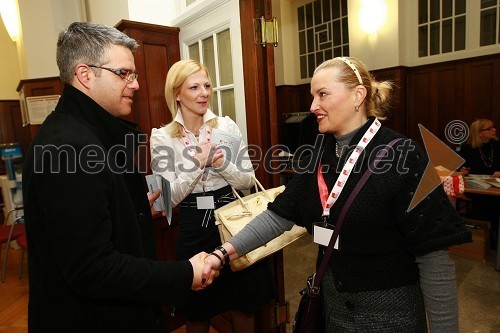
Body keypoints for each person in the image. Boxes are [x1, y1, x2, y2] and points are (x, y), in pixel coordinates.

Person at [203, 57, 472, 332]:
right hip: (333, 312)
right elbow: (278, 216)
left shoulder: (406, 155)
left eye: (322, 94)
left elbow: (435, 258)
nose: (312, 107)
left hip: (389, 317)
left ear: (358, 95)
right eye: (312, 96)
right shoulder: (318, 154)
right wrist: (221, 254)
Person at [22, 22, 218, 333]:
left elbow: (96, 213)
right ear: (85, 75)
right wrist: (183, 274)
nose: (136, 84)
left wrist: (136, 208)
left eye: (135, 74)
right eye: (124, 74)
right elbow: (92, 269)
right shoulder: (67, 147)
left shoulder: (92, 132)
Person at [150, 59, 276, 333]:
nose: (204, 93)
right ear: (177, 94)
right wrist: (197, 165)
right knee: (197, 307)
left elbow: (245, 181)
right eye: (194, 87)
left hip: (232, 217)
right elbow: (166, 200)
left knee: (243, 302)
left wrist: (220, 164)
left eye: (206, 86)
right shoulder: (162, 138)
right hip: (195, 223)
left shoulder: (226, 127)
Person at [457, 119, 500, 248]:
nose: (494, 130)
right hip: (476, 188)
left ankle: (492, 235)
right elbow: (459, 167)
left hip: (495, 187)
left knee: (495, 202)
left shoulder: (497, 146)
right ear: (479, 133)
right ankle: (484, 235)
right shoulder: (467, 148)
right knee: (488, 203)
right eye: (489, 129)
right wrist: (462, 170)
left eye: (493, 127)